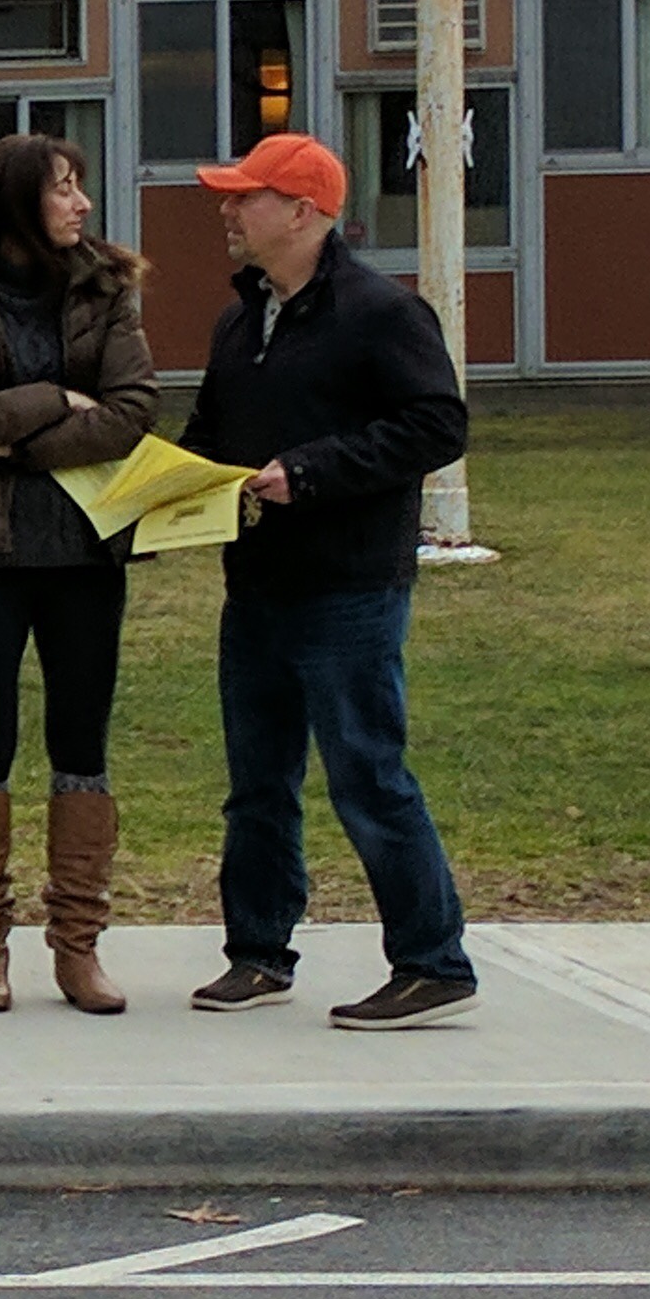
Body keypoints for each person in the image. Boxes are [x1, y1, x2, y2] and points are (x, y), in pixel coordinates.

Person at [183, 129, 480, 1029]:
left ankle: (433, 962)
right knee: (258, 781)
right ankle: (259, 953)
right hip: (258, 587)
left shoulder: (380, 313)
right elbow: (212, 433)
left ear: (306, 212)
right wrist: (160, 490)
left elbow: (436, 426)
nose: (229, 211)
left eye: (247, 197)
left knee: (367, 774)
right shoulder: (243, 318)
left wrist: (307, 473)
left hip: (348, 588)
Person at [0, 133, 158, 1014]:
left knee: (81, 746)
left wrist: (8, 437)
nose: (82, 204)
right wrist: (55, 397)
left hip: (87, 551)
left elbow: (131, 412)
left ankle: (78, 946)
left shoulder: (106, 285)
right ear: (16, 201)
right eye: (63, 189)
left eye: (81, 186)